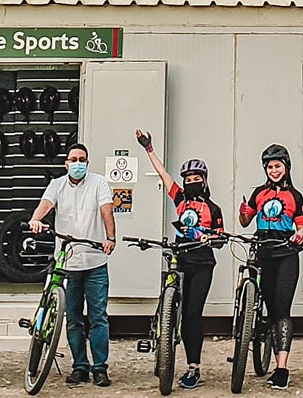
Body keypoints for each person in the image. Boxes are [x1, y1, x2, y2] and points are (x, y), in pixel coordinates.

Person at [136, 130, 224, 390]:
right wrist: (148, 148)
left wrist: (212, 239)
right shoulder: (180, 199)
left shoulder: (213, 209)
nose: (192, 182)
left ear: (205, 181)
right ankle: (163, 341)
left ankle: (193, 368)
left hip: (202, 264)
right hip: (179, 259)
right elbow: (163, 175)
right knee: (168, 304)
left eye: (197, 178)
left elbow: (220, 236)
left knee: (192, 314)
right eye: (188, 179)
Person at [32, 143, 118, 388]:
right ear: (66, 163)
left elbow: (106, 210)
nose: (78, 163)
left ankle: (100, 367)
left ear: (87, 163)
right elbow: (45, 205)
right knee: (73, 318)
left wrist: (110, 238)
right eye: (73, 159)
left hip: (95, 260)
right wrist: (35, 219)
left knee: (98, 317)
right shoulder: (56, 185)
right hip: (67, 262)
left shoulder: (99, 182)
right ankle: (80, 366)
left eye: (82, 159)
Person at [238, 144, 303, 391]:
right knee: (268, 307)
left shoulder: (295, 196)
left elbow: (301, 228)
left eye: (277, 166)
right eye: (269, 167)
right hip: (263, 253)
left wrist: (299, 236)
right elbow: (246, 221)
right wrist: (243, 213)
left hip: (287, 254)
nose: (273, 170)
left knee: (281, 310)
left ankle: (282, 368)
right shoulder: (259, 193)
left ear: (286, 167)